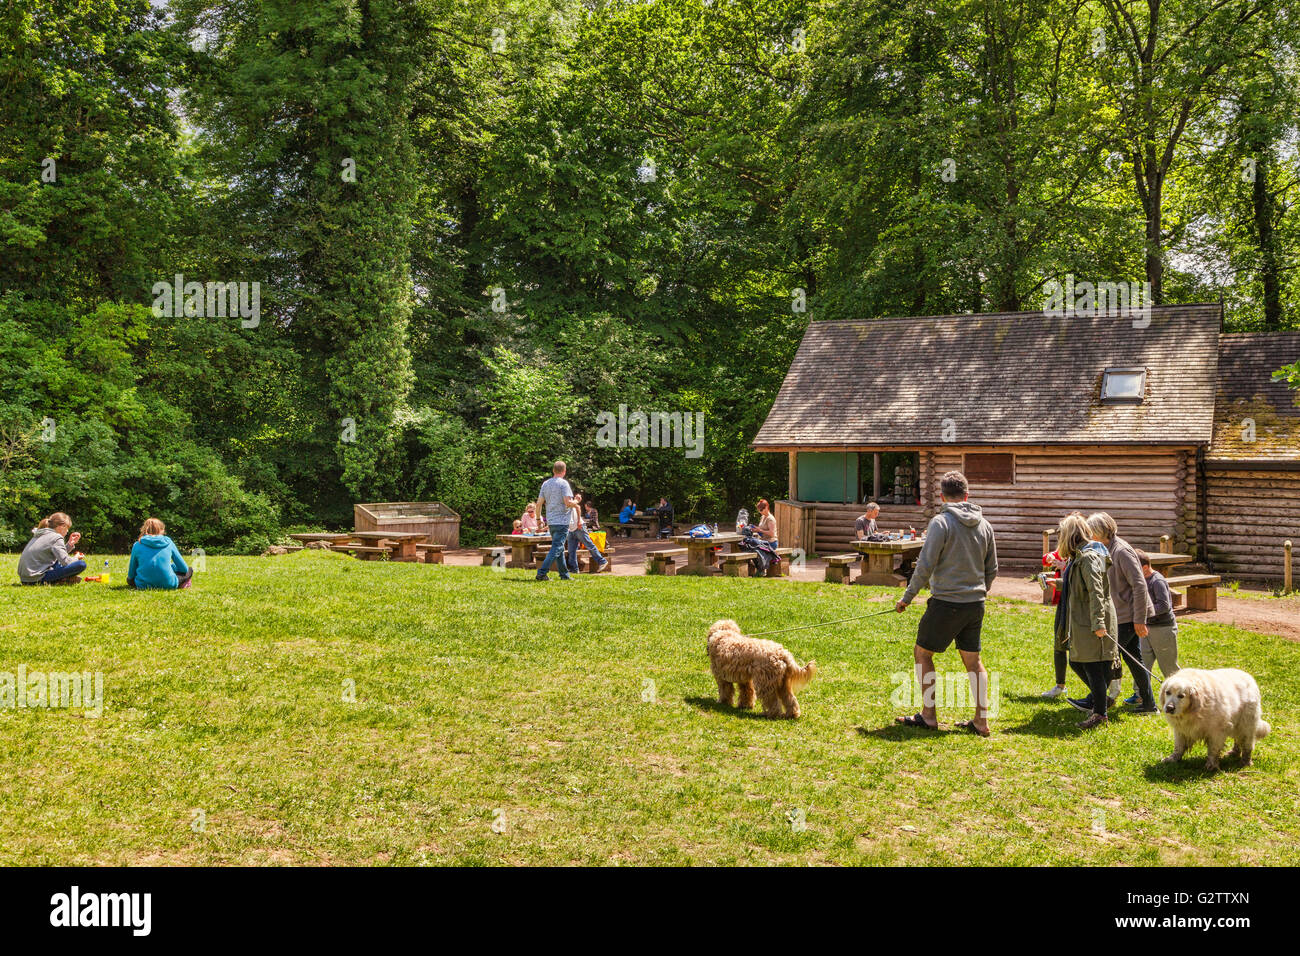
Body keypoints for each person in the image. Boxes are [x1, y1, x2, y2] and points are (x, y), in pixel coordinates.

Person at [893, 471, 998, 736]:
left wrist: (907, 598)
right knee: (974, 662)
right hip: (975, 604)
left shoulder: (941, 523)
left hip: (946, 602)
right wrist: (979, 592)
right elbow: (992, 568)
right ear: (967, 495)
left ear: (942, 496)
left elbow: (925, 566)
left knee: (922, 653)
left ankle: (929, 716)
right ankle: (981, 721)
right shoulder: (985, 525)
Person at [1086, 512, 1157, 714]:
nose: (1090, 536)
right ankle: (1149, 704)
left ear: (1100, 532)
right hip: (1121, 614)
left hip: (1129, 616)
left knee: (1109, 657)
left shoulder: (1122, 551)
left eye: (1091, 532)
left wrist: (1139, 620)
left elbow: (1140, 586)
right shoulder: (1106, 548)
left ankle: (1096, 700)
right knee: (1134, 658)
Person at [1054, 512, 1120, 729]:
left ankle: (1100, 713)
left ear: (1070, 536)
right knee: (1079, 661)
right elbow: (1081, 587)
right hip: (1084, 618)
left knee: (1091, 665)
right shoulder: (1080, 555)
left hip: (1092, 619)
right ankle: (1100, 701)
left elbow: (1096, 591)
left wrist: (1099, 622)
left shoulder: (1089, 556)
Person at [1136, 550, 1180, 679]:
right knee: (1142, 664)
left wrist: (1142, 612)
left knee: (1169, 667)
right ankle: (1139, 695)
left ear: (1144, 567)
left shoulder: (1157, 581)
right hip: (1146, 628)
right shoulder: (1140, 580)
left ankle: (1178, 692)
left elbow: (1164, 606)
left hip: (1163, 629)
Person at [534, 461, 579, 581]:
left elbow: (538, 504)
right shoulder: (564, 484)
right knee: (557, 547)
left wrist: (538, 519)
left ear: (553, 471)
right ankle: (542, 573)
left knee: (559, 548)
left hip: (551, 521)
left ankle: (564, 575)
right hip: (562, 521)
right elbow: (568, 503)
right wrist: (577, 500)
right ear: (564, 471)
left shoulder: (546, 484)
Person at [17, 512, 86, 585]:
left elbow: (55, 554)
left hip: (25, 579)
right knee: (81, 564)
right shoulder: (56, 537)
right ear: (62, 526)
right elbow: (66, 562)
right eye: (67, 528)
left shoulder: (40, 533)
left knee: (57, 563)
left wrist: (69, 544)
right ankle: (61, 580)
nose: (67, 531)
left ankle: (63, 580)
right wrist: (76, 558)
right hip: (37, 578)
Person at [127, 518, 192, 590]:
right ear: (162, 530)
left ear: (144, 529)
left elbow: (131, 574)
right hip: (168, 584)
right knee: (189, 570)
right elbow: (184, 569)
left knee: (129, 580)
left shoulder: (137, 544)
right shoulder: (169, 543)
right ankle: (184, 583)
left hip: (143, 585)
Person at [565, 493, 608, 574]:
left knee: (589, 545)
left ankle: (602, 561)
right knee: (571, 550)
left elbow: (578, 507)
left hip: (579, 527)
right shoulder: (560, 503)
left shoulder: (567, 501)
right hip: (571, 529)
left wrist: (579, 522)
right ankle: (574, 569)